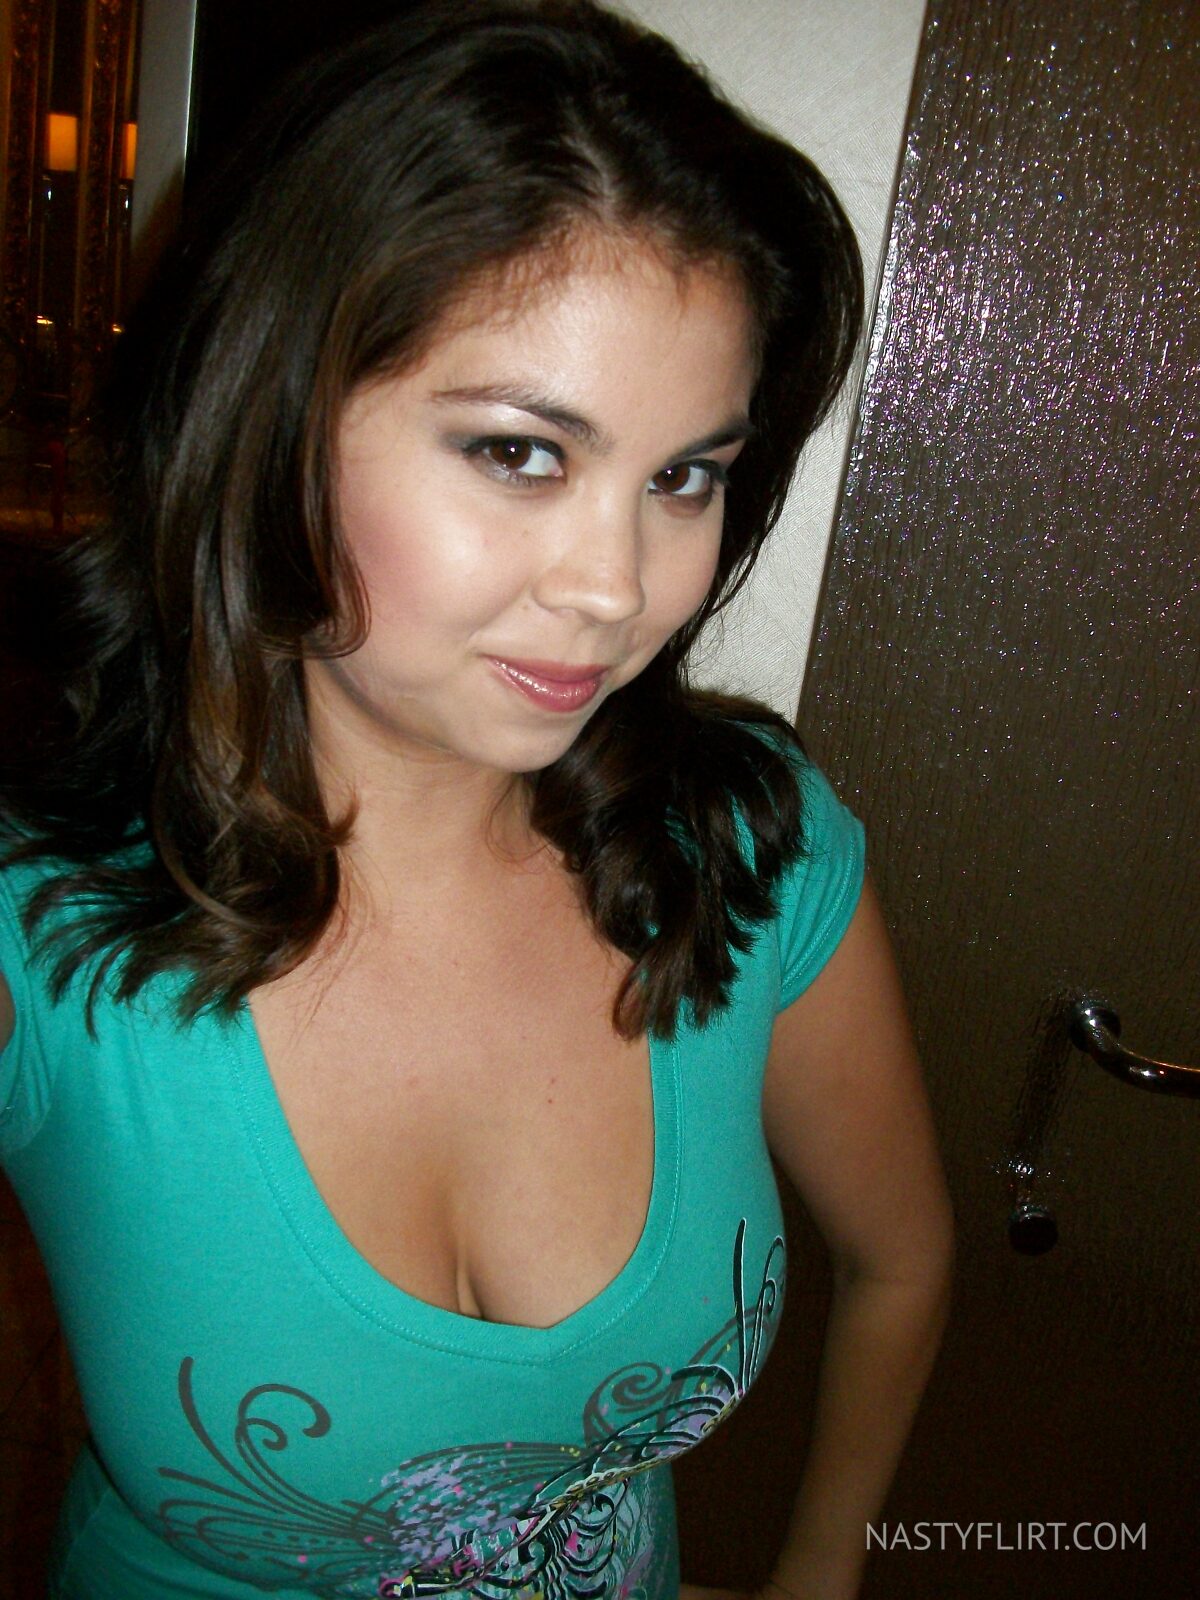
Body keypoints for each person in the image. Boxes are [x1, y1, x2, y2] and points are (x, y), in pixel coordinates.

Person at [0, 1, 953, 1595]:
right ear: (271, 410)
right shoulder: (41, 930)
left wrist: (819, 1573)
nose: (619, 587)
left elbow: (903, 1260)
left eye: (684, 476)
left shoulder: (749, 852)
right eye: (520, 453)